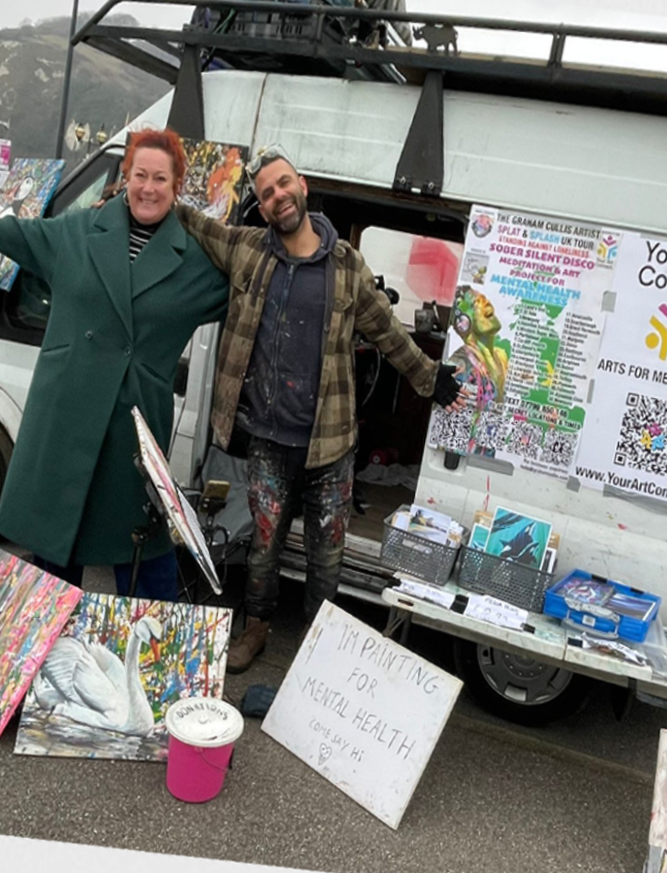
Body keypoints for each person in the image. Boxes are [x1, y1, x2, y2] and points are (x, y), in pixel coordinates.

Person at [172, 149, 461, 674]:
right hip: (266, 439)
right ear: (260, 207)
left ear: (301, 187)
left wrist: (427, 376)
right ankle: (255, 628)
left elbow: (387, 331)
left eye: (283, 185)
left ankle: (320, 651)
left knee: (326, 559)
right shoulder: (245, 249)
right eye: (266, 194)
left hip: (331, 446)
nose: (277, 197)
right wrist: (155, 191)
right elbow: (194, 222)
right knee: (261, 546)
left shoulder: (347, 265)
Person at [0, 128, 227, 588]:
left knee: (146, 574)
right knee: (52, 569)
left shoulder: (196, 261)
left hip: (132, 437)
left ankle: (139, 658)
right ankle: (47, 653)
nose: (149, 188)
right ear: (126, 176)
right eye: (140, 175)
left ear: (177, 186)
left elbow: (253, 281)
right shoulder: (79, 231)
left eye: (161, 178)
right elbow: (20, 234)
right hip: (65, 420)